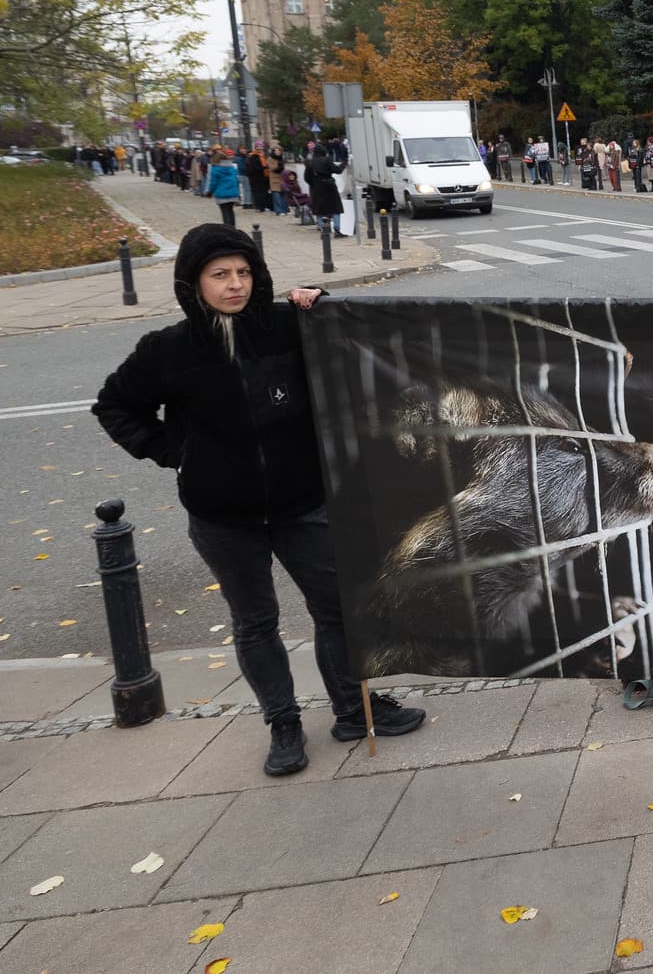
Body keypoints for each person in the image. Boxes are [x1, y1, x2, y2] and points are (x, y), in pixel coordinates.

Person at [92, 225, 429, 776]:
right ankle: (284, 724)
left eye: (244, 273)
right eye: (220, 274)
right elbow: (114, 406)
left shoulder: (284, 327)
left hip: (303, 505)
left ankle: (354, 708)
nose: (235, 285)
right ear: (193, 282)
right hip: (224, 518)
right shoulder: (167, 351)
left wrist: (321, 305)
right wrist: (174, 452)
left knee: (338, 608)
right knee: (255, 623)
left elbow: (349, 354)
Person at [304, 142, 344, 233]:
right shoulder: (327, 160)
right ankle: (337, 228)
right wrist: (343, 164)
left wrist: (314, 183)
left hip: (317, 188)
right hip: (330, 186)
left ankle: (323, 229)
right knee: (335, 208)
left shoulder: (310, 163)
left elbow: (307, 178)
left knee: (319, 209)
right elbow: (338, 170)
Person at [204, 148, 242, 228]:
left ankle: (227, 229)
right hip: (233, 192)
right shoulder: (232, 168)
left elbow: (213, 183)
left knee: (225, 212)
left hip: (221, 193)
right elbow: (236, 180)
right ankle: (233, 228)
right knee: (230, 211)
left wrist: (210, 192)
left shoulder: (216, 169)